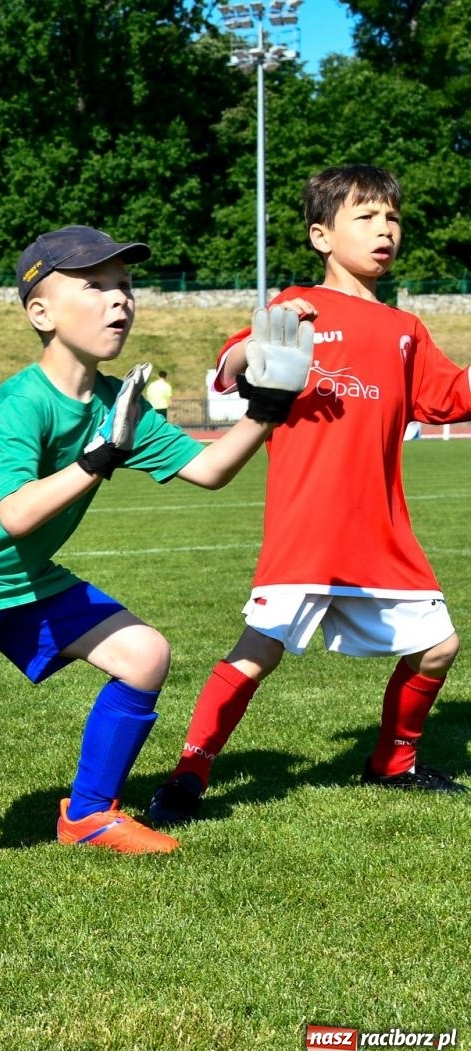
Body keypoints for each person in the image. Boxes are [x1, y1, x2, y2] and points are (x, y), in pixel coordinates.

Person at [0, 225, 309, 880]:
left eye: (125, 286)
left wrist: (265, 408)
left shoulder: (113, 403)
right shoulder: (21, 400)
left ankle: (90, 814)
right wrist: (102, 457)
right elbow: (16, 514)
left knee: (145, 655)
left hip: (28, 580)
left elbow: (209, 470)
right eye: (95, 286)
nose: (119, 300)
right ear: (41, 312)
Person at [148, 164, 471, 826]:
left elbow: (449, 398)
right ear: (322, 235)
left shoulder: (407, 330)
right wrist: (263, 341)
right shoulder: (296, 308)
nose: (385, 230)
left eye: (393, 218)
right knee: (257, 650)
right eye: (366, 217)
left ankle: (393, 765)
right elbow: (231, 367)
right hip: (310, 529)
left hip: (383, 533)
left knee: (438, 646)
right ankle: (189, 774)